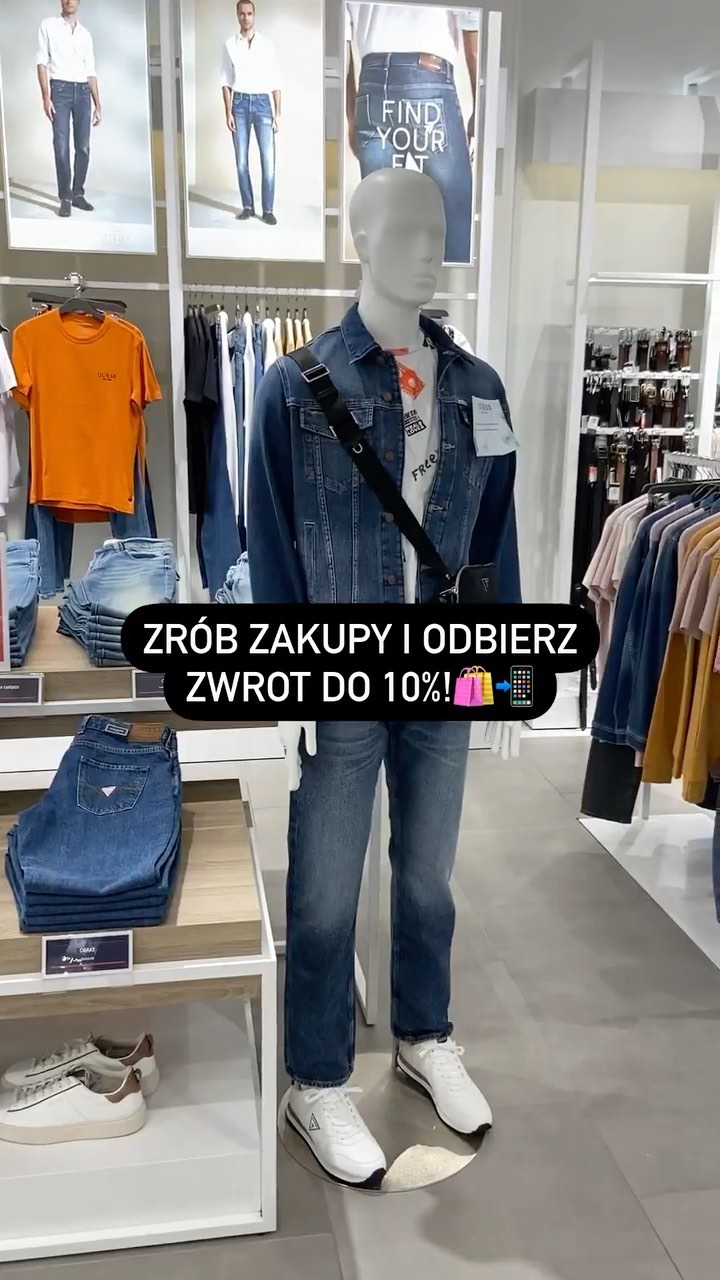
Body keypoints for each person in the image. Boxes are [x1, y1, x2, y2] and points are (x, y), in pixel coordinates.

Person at [248, 169, 521, 1189]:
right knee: (325, 884)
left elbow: (494, 534)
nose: (427, 249)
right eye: (404, 229)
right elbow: (271, 539)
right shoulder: (295, 385)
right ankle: (317, 1078)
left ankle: (424, 1033)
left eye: (438, 229)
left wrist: (502, 664)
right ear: (359, 240)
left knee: (429, 873)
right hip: (338, 670)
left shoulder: (479, 385)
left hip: (446, 666)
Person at [345, 3, 478, 264]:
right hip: (426, 77)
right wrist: (479, 101)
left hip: (371, 84)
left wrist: (351, 116)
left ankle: (386, 290)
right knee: (453, 210)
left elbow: (342, 41)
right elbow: (471, 22)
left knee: (380, 220)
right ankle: (450, 288)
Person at [37, 0, 101, 219]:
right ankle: (65, 197)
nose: (69, 1)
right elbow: (41, 62)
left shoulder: (86, 35)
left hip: (83, 92)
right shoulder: (48, 26)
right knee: (61, 145)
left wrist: (98, 104)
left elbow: (91, 71)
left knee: (83, 147)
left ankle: (78, 194)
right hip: (60, 90)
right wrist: (46, 96)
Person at [221, 0, 281, 226]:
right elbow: (225, 81)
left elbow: (275, 80)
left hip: (263, 104)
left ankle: (268, 210)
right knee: (241, 161)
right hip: (239, 104)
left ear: (254, 15)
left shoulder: (266, 45)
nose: (246, 18)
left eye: (249, 13)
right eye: (242, 14)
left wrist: (278, 113)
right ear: (237, 15)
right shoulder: (230, 44)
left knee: (268, 160)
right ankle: (248, 206)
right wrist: (228, 112)